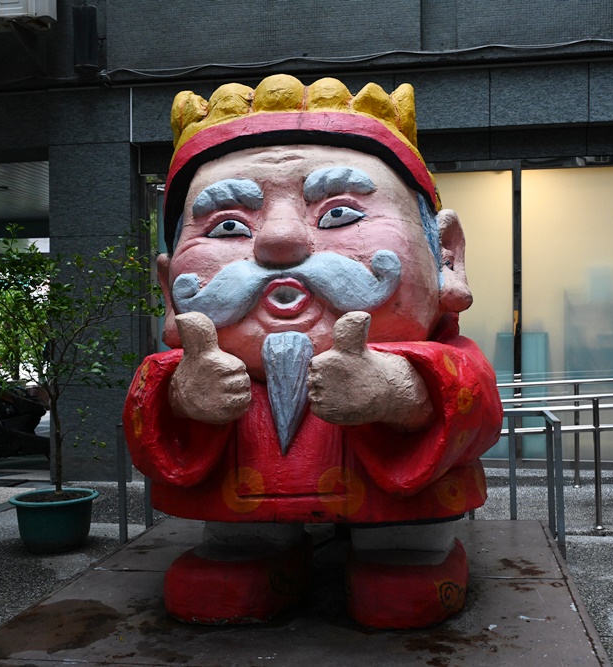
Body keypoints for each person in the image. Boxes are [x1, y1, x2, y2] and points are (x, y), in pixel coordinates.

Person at [124, 74, 503, 629]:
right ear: (168, 290)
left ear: (446, 257)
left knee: (399, 578)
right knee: (229, 573)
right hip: (243, 502)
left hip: (397, 501)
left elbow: (477, 404)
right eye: (228, 225)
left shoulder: (441, 349)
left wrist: (401, 391)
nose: (279, 242)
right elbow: (146, 420)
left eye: (340, 213)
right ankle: (251, 550)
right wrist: (183, 393)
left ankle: (409, 550)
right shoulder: (197, 354)